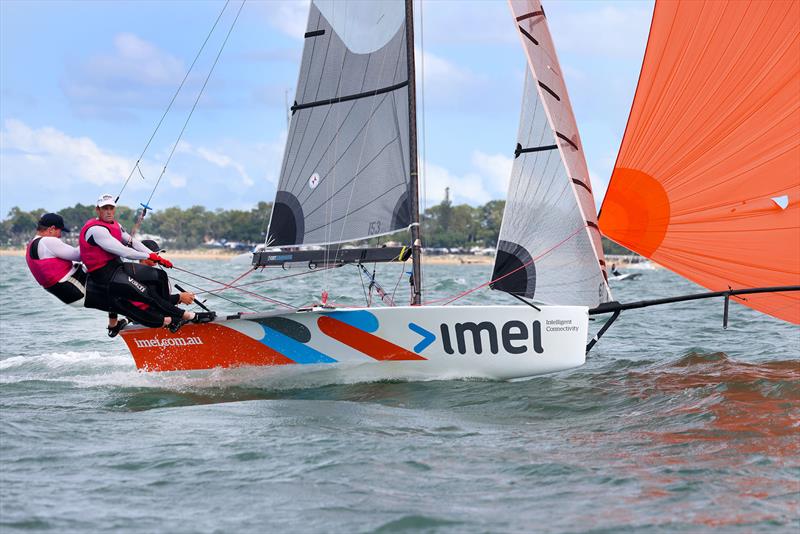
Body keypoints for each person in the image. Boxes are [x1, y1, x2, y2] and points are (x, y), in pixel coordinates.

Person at [79, 193, 214, 331]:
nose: (108, 211)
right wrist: (179, 297)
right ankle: (183, 318)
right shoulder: (96, 230)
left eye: (111, 208)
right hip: (106, 275)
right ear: (98, 209)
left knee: (160, 277)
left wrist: (154, 256)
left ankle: (173, 318)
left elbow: (133, 243)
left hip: (117, 270)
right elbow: (125, 252)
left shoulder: (116, 226)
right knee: (148, 296)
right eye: (105, 208)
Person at [25, 212, 126, 337]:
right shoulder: (47, 241)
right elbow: (79, 255)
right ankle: (142, 317)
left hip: (68, 293)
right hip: (74, 286)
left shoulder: (31, 246)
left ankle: (113, 325)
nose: (60, 235)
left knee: (113, 289)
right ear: (51, 229)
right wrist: (91, 234)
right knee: (116, 289)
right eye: (59, 231)